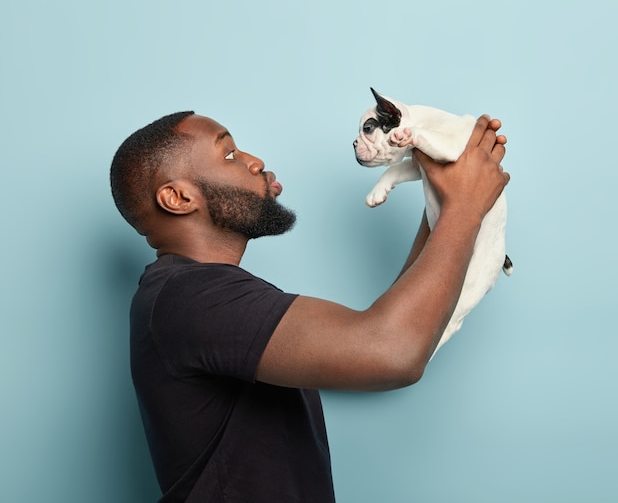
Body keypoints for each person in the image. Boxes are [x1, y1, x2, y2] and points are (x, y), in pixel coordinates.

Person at [110, 110, 509, 503]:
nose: (255, 162)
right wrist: (464, 207)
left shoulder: (192, 294)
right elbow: (392, 350)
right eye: (229, 154)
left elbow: (400, 325)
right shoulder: (193, 297)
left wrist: (444, 199)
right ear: (177, 198)